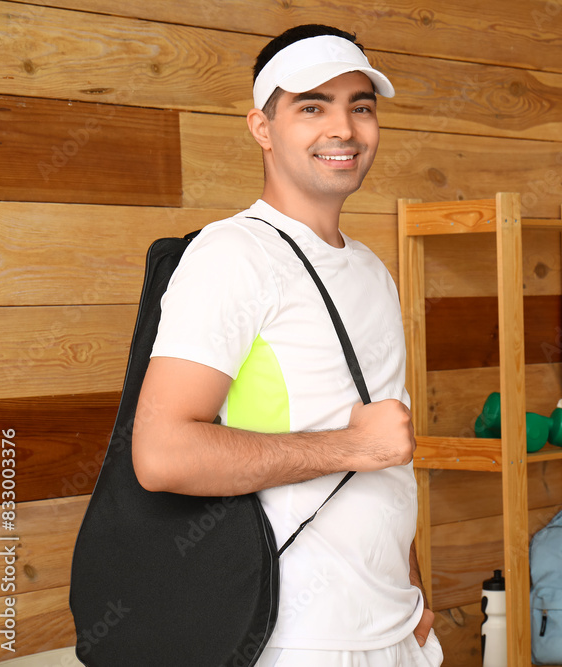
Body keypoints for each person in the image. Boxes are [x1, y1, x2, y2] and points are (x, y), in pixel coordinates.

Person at [132, 24, 442, 667]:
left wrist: (411, 588)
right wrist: (355, 446)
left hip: (394, 628)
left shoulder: (371, 270)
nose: (345, 129)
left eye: (360, 106)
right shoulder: (232, 256)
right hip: (295, 636)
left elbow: (388, 452)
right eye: (311, 107)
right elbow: (162, 454)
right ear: (262, 128)